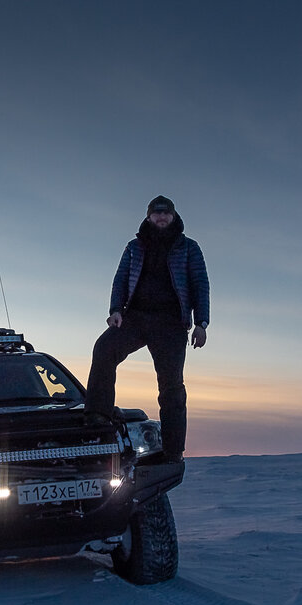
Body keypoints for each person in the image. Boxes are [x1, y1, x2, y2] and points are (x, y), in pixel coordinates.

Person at [86, 195, 210, 462]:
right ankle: (98, 419)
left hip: (171, 323)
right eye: (157, 213)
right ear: (149, 216)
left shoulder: (188, 248)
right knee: (104, 349)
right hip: (136, 318)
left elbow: (200, 285)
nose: (161, 218)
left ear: (174, 216)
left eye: (166, 213)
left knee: (171, 386)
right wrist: (115, 311)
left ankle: (173, 450)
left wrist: (201, 323)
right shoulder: (135, 247)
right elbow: (120, 279)